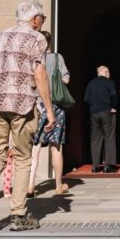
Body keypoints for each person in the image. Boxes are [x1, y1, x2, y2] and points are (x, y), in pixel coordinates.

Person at [0, 0, 57, 238]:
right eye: (42, 17)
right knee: (23, 158)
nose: (43, 21)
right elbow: (39, 73)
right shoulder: (37, 38)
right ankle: (19, 214)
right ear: (34, 19)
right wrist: (49, 110)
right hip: (22, 103)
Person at [28, 30, 71, 196]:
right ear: (49, 43)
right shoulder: (56, 57)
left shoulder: (31, 58)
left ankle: (30, 185)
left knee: (35, 147)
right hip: (55, 106)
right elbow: (66, 79)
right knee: (56, 146)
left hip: (36, 104)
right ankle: (58, 185)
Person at [84, 66, 118, 173]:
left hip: (94, 113)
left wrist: (93, 107)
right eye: (108, 71)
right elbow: (113, 95)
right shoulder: (109, 82)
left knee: (95, 139)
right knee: (109, 137)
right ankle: (108, 165)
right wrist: (114, 107)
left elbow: (86, 99)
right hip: (107, 111)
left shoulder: (91, 84)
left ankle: (95, 166)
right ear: (104, 72)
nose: (109, 73)